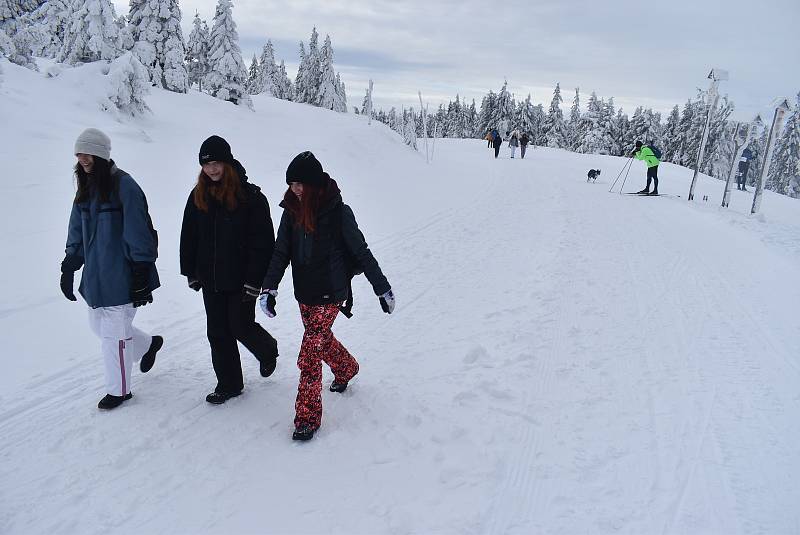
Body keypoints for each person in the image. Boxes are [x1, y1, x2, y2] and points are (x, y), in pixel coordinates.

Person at [259, 151, 394, 441]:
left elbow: (361, 252)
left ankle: (307, 418)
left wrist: (381, 287)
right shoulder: (291, 211)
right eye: (292, 183)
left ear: (315, 184)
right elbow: (281, 251)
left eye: (301, 183)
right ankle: (346, 367)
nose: (295, 189)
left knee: (309, 354)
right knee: (320, 339)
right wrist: (269, 287)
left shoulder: (338, 212)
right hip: (304, 293)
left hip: (331, 293)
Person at [61, 128, 163, 410]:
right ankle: (147, 344)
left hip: (123, 274)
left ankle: (119, 391)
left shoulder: (125, 186)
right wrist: (70, 264)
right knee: (97, 324)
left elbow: (138, 231)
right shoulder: (86, 188)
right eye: (79, 153)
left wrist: (141, 271)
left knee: (114, 336)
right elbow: (76, 230)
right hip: (96, 277)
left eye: (88, 152)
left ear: (102, 154)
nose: (83, 158)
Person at [180, 135, 278, 405]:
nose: (211, 169)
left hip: (241, 279)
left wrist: (255, 280)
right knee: (217, 332)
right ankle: (229, 384)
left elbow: (263, 243)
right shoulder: (198, 194)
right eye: (206, 164)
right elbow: (189, 234)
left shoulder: (250, 197)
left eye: (216, 163)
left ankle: (268, 350)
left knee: (240, 326)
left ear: (227, 162)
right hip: (210, 278)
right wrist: (190, 270)